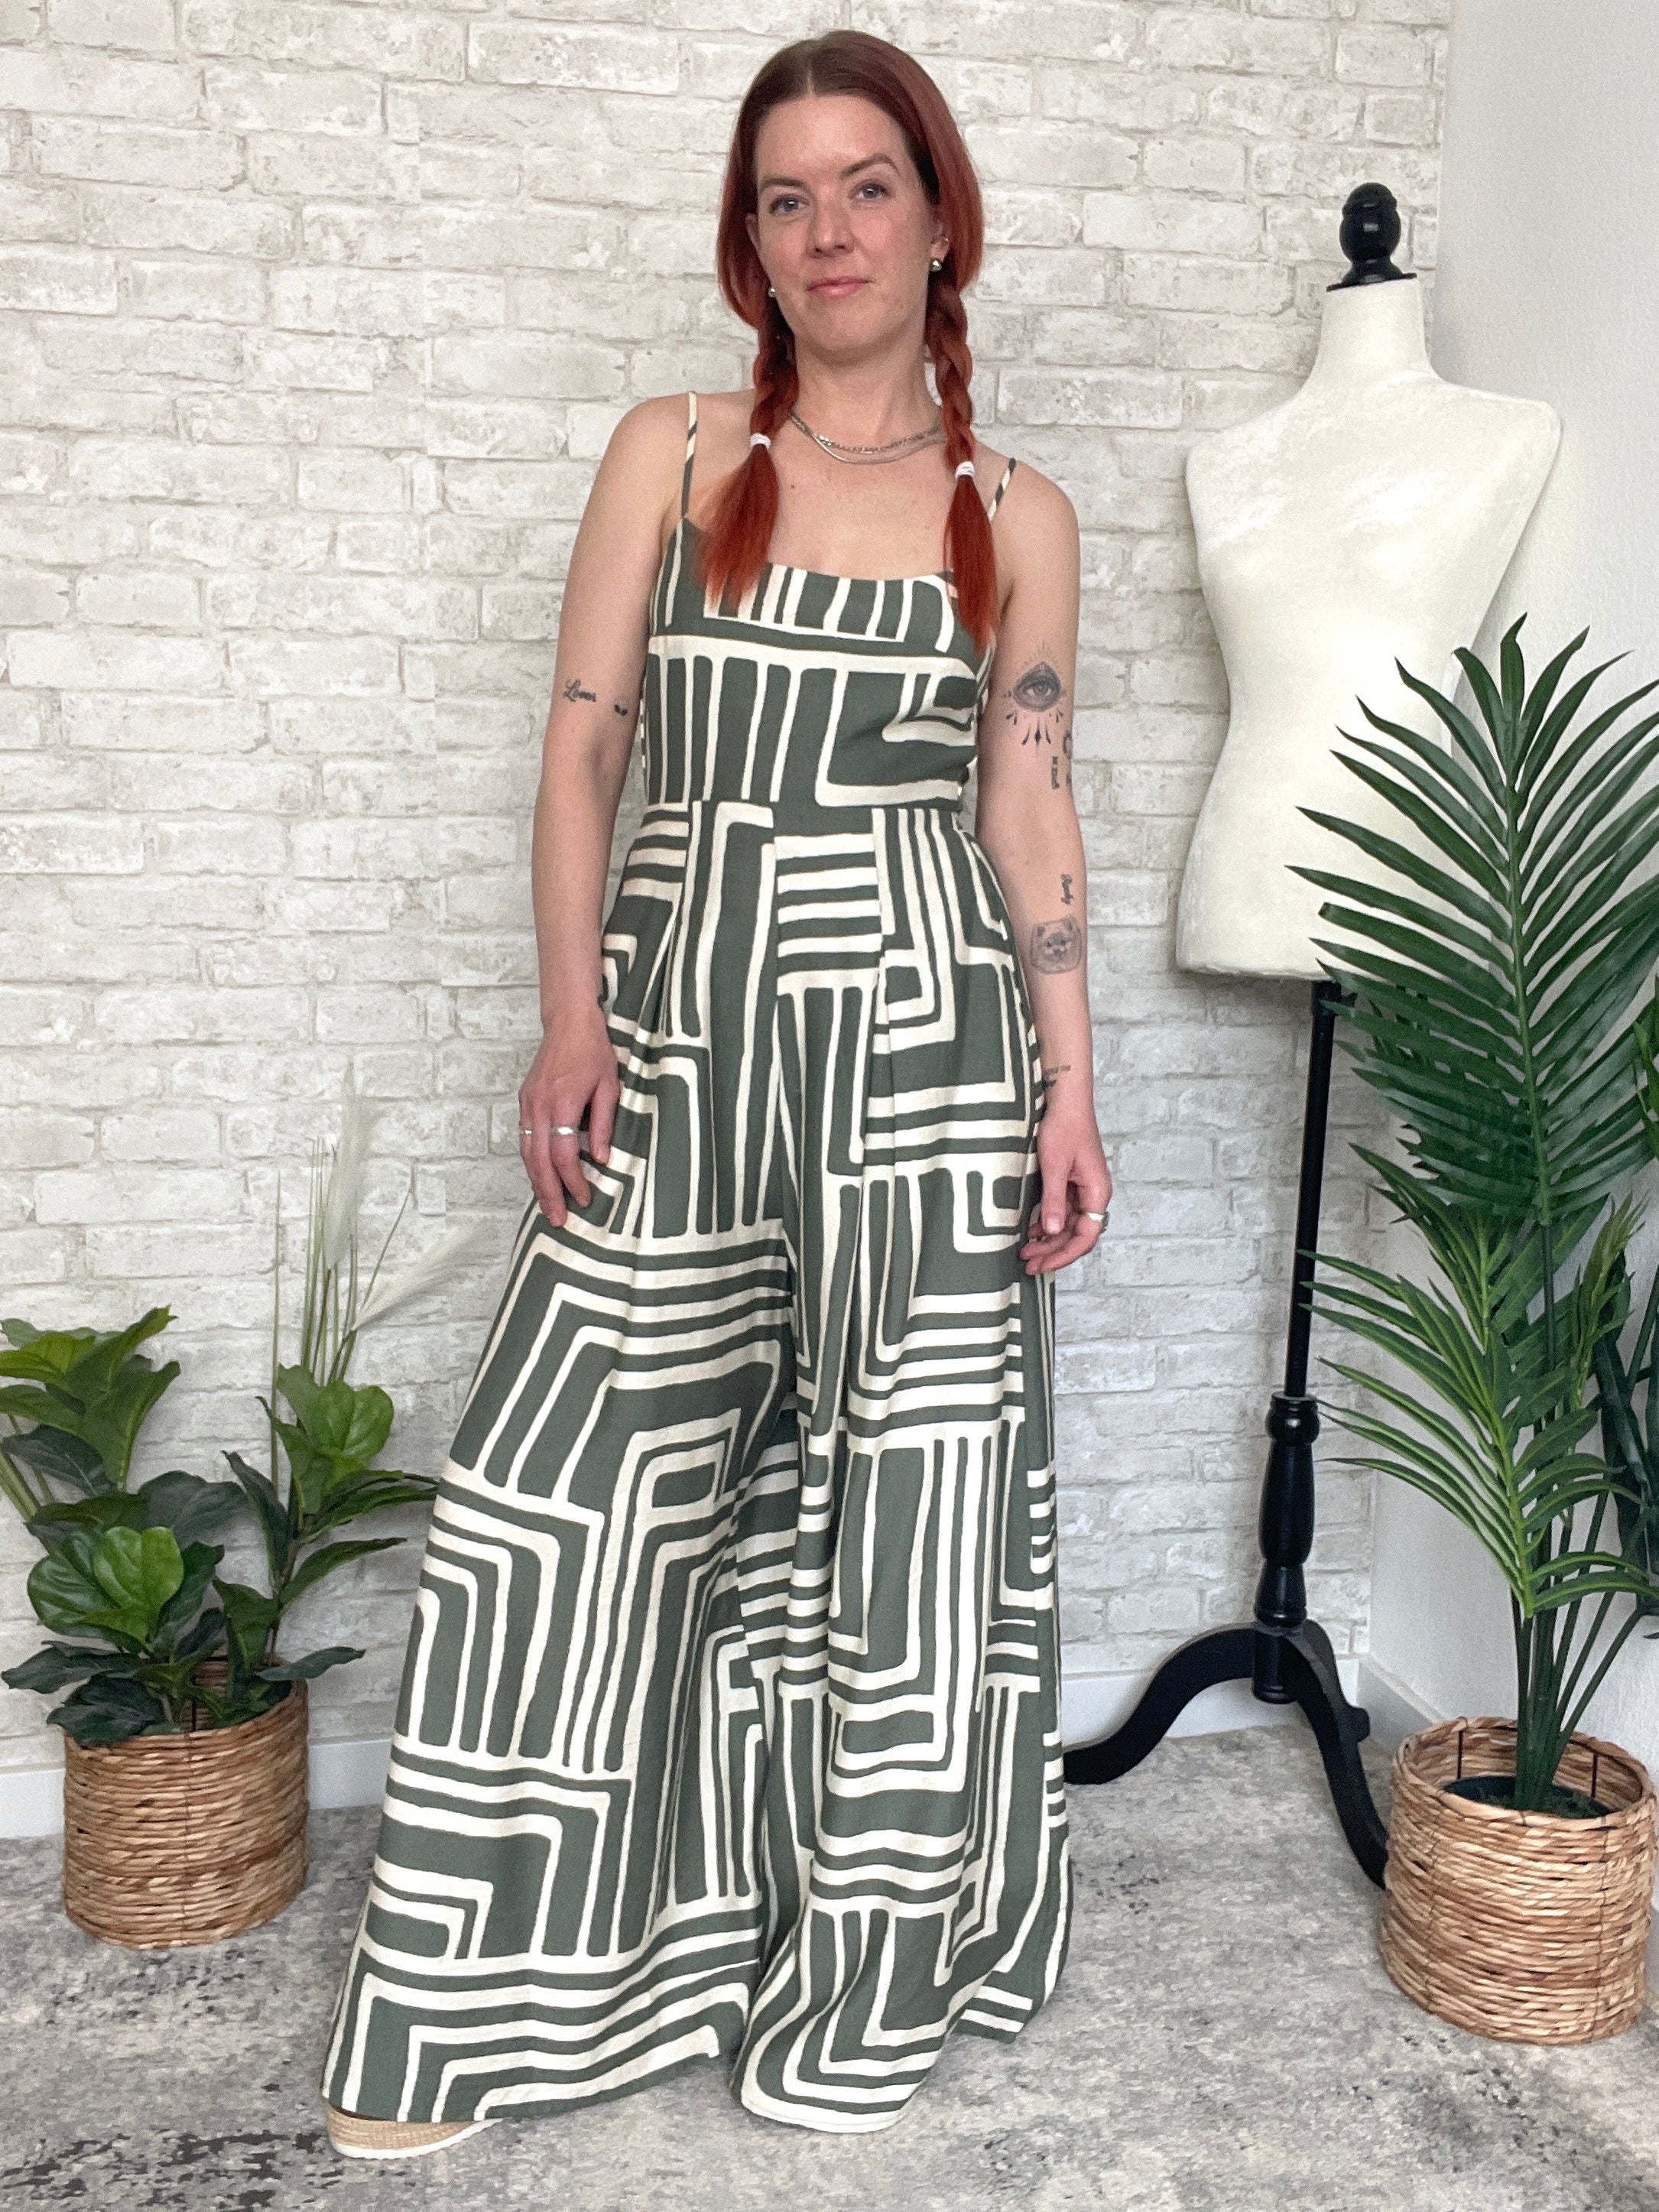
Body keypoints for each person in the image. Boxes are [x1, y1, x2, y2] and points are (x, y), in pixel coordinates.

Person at [319, 28, 1111, 2155]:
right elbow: (584, 752)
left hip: (926, 1056)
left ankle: (861, 1989)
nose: (828, 229)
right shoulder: (672, 452)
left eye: (868, 185)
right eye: (785, 195)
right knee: (558, 1498)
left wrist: (1068, 1088)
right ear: (748, 243)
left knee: (905, 1519)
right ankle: (476, 2007)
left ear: (938, 221)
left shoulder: (1013, 515)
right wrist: (569, 1019)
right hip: (681, 1034)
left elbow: (1027, 807)